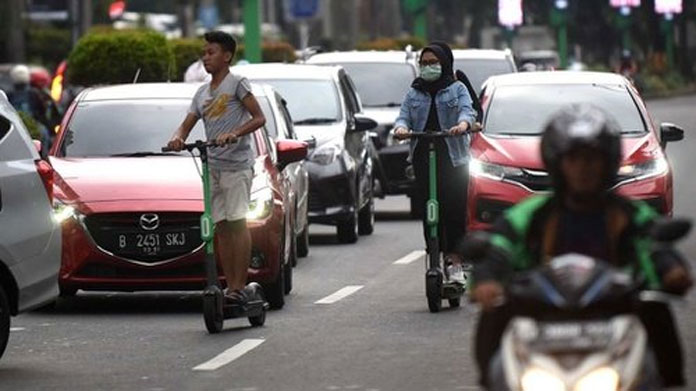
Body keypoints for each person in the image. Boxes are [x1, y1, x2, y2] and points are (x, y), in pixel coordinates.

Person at [470, 104, 693, 388]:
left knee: (656, 311)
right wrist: (486, 279)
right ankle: (491, 382)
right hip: (542, 312)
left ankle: (669, 381)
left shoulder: (629, 214)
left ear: (607, 162)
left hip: (615, 310)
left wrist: (673, 270)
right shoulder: (532, 214)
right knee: (495, 315)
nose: (583, 168)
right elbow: (499, 245)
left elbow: (655, 245)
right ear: (558, 163)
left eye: (592, 159)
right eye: (574, 159)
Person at [167, 31, 266, 305]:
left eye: (211, 52)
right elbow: (186, 125)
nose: (206, 57)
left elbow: (259, 118)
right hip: (214, 168)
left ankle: (238, 285)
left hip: (237, 166)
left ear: (227, 56)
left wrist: (235, 133)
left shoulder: (238, 83)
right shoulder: (201, 93)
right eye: (205, 52)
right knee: (220, 227)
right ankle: (229, 285)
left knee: (237, 222)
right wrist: (177, 138)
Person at [393, 42, 477, 284]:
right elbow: (404, 116)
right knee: (430, 210)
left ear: (445, 63)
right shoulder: (414, 92)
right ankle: (434, 252)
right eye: (424, 63)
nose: (428, 67)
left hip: (453, 158)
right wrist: (401, 128)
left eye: (433, 63)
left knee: (453, 210)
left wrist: (462, 125)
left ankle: (455, 262)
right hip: (423, 156)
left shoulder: (457, 88)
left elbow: (467, 111)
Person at [7, 64, 54, 155]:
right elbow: (42, 113)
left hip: (14, 128)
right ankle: (45, 158)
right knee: (45, 135)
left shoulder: (9, 94)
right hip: (33, 126)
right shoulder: (34, 93)